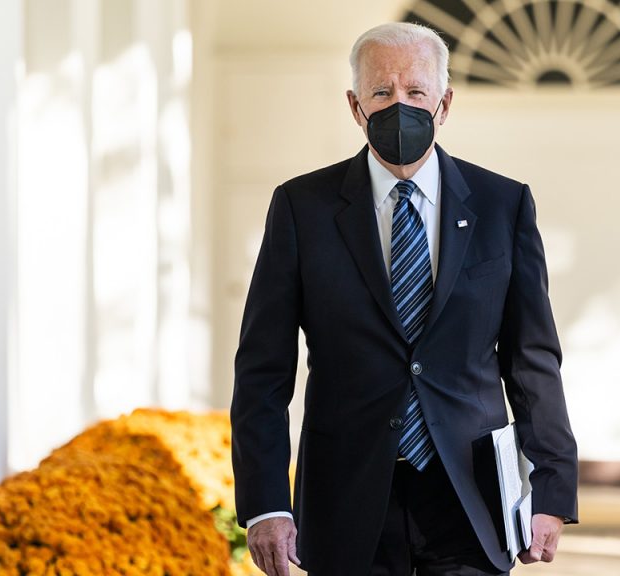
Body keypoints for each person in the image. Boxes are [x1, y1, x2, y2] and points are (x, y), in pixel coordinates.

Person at [231, 21, 578, 576]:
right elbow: (262, 372)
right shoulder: (302, 208)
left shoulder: (502, 205)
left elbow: (532, 359)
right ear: (355, 105)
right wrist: (267, 503)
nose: (401, 105)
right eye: (382, 92)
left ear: (444, 104)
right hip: (345, 497)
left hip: (471, 498)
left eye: (416, 92)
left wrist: (553, 486)